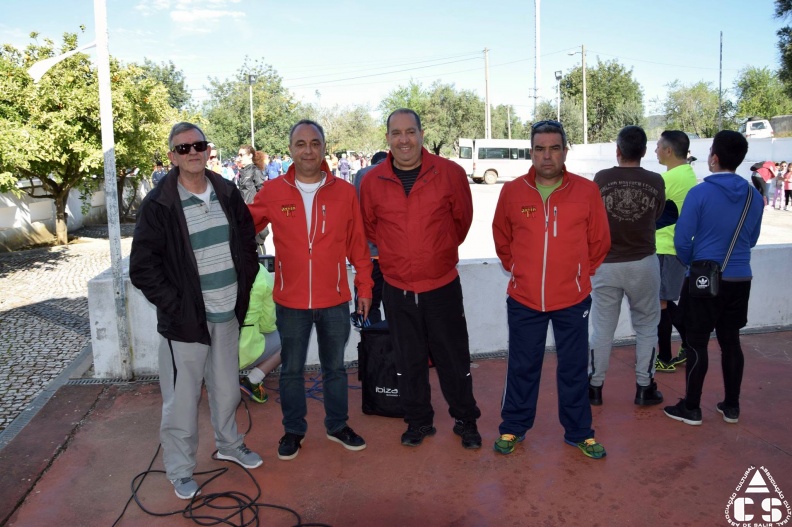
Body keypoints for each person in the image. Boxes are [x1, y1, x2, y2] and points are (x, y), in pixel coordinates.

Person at [129, 122, 262, 500]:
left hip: (227, 313)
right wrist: (178, 306)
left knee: (227, 390)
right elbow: (143, 268)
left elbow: (247, 241)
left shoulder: (226, 191)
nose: (192, 153)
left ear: (208, 151)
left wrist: (245, 280)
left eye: (198, 145)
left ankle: (229, 445)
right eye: (183, 148)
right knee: (182, 403)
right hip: (186, 323)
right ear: (172, 156)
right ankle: (180, 469)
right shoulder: (159, 203)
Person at [248, 119, 373, 461]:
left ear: (323, 148)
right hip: (290, 301)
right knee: (291, 370)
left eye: (315, 143)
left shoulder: (344, 192)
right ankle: (293, 430)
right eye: (301, 144)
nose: (308, 150)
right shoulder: (272, 191)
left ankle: (337, 426)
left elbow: (358, 245)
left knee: (335, 368)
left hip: (334, 299)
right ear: (290, 149)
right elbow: (244, 225)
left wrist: (364, 286)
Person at [360, 109, 482, 450]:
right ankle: (418, 421)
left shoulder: (450, 173)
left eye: (410, 132)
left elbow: (462, 222)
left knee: (453, 359)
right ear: (387, 138)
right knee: (407, 360)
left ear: (421, 134)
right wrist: (401, 255)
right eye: (396, 133)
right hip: (397, 288)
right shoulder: (371, 181)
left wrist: (435, 252)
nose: (404, 140)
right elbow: (371, 228)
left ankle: (465, 420)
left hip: (442, 286)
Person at [491, 119, 610, 459]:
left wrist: (579, 274)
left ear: (565, 152)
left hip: (572, 299)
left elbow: (600, 241)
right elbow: (502, 236)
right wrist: (517, 269)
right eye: (540, 149)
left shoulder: (586, 191)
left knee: (573, 368)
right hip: (524, 299)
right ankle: (513, 426)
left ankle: (579, 432)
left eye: (554, 148)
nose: (547, 156)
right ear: (531, 152)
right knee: (522, 366)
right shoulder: (512, 191)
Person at [663, 130, 763, 426]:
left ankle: (692, 407)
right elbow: (752, 240)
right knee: (731, 342)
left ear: (714, 158)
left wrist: (694, 261)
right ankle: (731, 406)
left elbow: (682, 239)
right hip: (740, 277)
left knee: (696, 342)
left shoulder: (700, 192)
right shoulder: (754, 196)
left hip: (705, 278)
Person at [588, 126, 665, 407]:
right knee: (647, 326)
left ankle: (594, 387)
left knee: (602, 328)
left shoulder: (602, 178)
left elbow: (592, 217)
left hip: (606, 264)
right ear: (644, 151)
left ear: (618, 151)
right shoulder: (655, 180)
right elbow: (657, 214)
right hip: (643, 262)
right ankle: (645, 387)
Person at [654, 130, 696, 372]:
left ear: (668, 150)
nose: (656, 150)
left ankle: (665, 357)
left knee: (661, 302)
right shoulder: (687, 174)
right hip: (673, 247)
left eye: (658, 146)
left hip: (665, 247)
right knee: (666, 301)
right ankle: (689, 344)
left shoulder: (668, 179)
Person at [352, 150, 388, 327]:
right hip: (396, 258)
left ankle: (372, 341)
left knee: (367, 309)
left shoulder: (362, 174)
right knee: (398, 311)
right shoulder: (398, 172)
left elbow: (354, 210)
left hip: (369, 255)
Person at [239, 262, 282, 404]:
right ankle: (253, 379)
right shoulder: (261, 273)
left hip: (211, 354)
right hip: (243, 354)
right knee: (291, 339)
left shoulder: (210, 268)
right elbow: (267, 325)